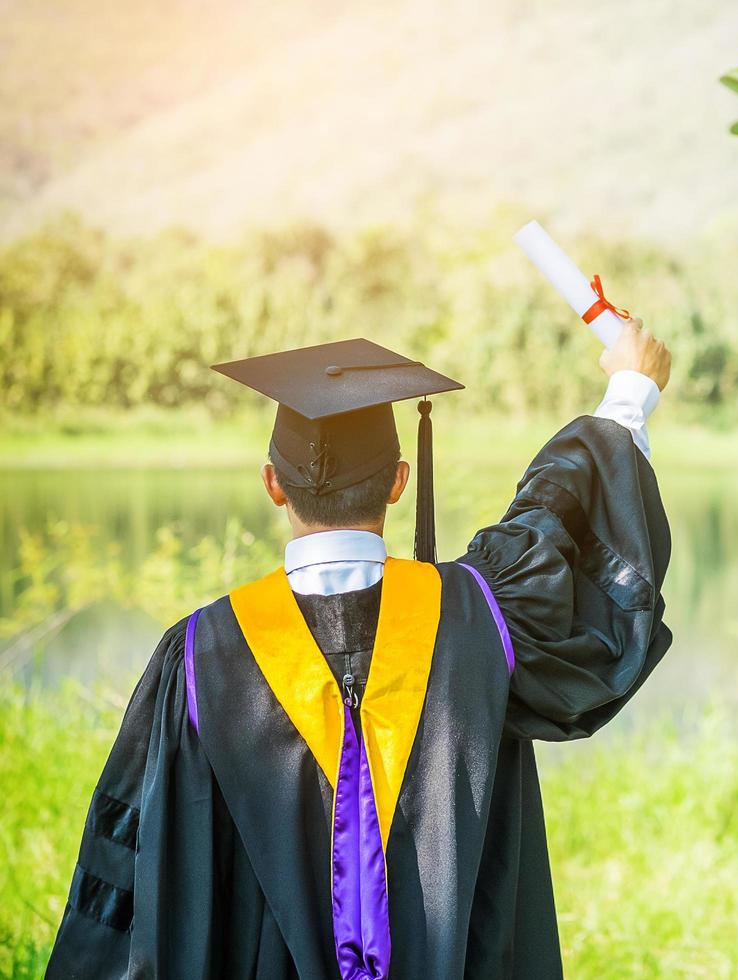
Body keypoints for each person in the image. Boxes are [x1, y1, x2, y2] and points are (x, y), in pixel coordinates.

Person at [45, 320, 674, 979]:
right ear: (399, 481)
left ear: (273, 483)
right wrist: (629, 389)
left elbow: (134, 875)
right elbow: (556, 525)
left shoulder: (202, 657)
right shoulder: (480, 620)